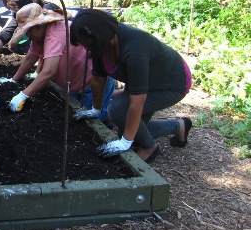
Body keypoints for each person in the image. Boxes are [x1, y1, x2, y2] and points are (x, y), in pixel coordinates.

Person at [70, 9, 193, 163]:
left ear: (96, 36)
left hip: (171, 84)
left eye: (85, 43)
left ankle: (150, 148)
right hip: (148, 81)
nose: (84, 47)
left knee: (118, 111)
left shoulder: (134, 49)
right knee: (131, 133)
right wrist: (95, 109)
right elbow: (98, 79)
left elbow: (138, 101)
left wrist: (124, 143)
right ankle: (178, 126)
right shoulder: (102, 44)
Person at [0, 3, 116, 120]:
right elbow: (30, 58)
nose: (28, 35)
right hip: (75, 80)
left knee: (94, 120)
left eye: (29, 31)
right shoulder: (38, 36)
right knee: (76, 113)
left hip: (93, 82)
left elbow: (49, 72)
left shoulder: (53, 36)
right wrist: (13, 80)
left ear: (39, 25)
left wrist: (23, 95)